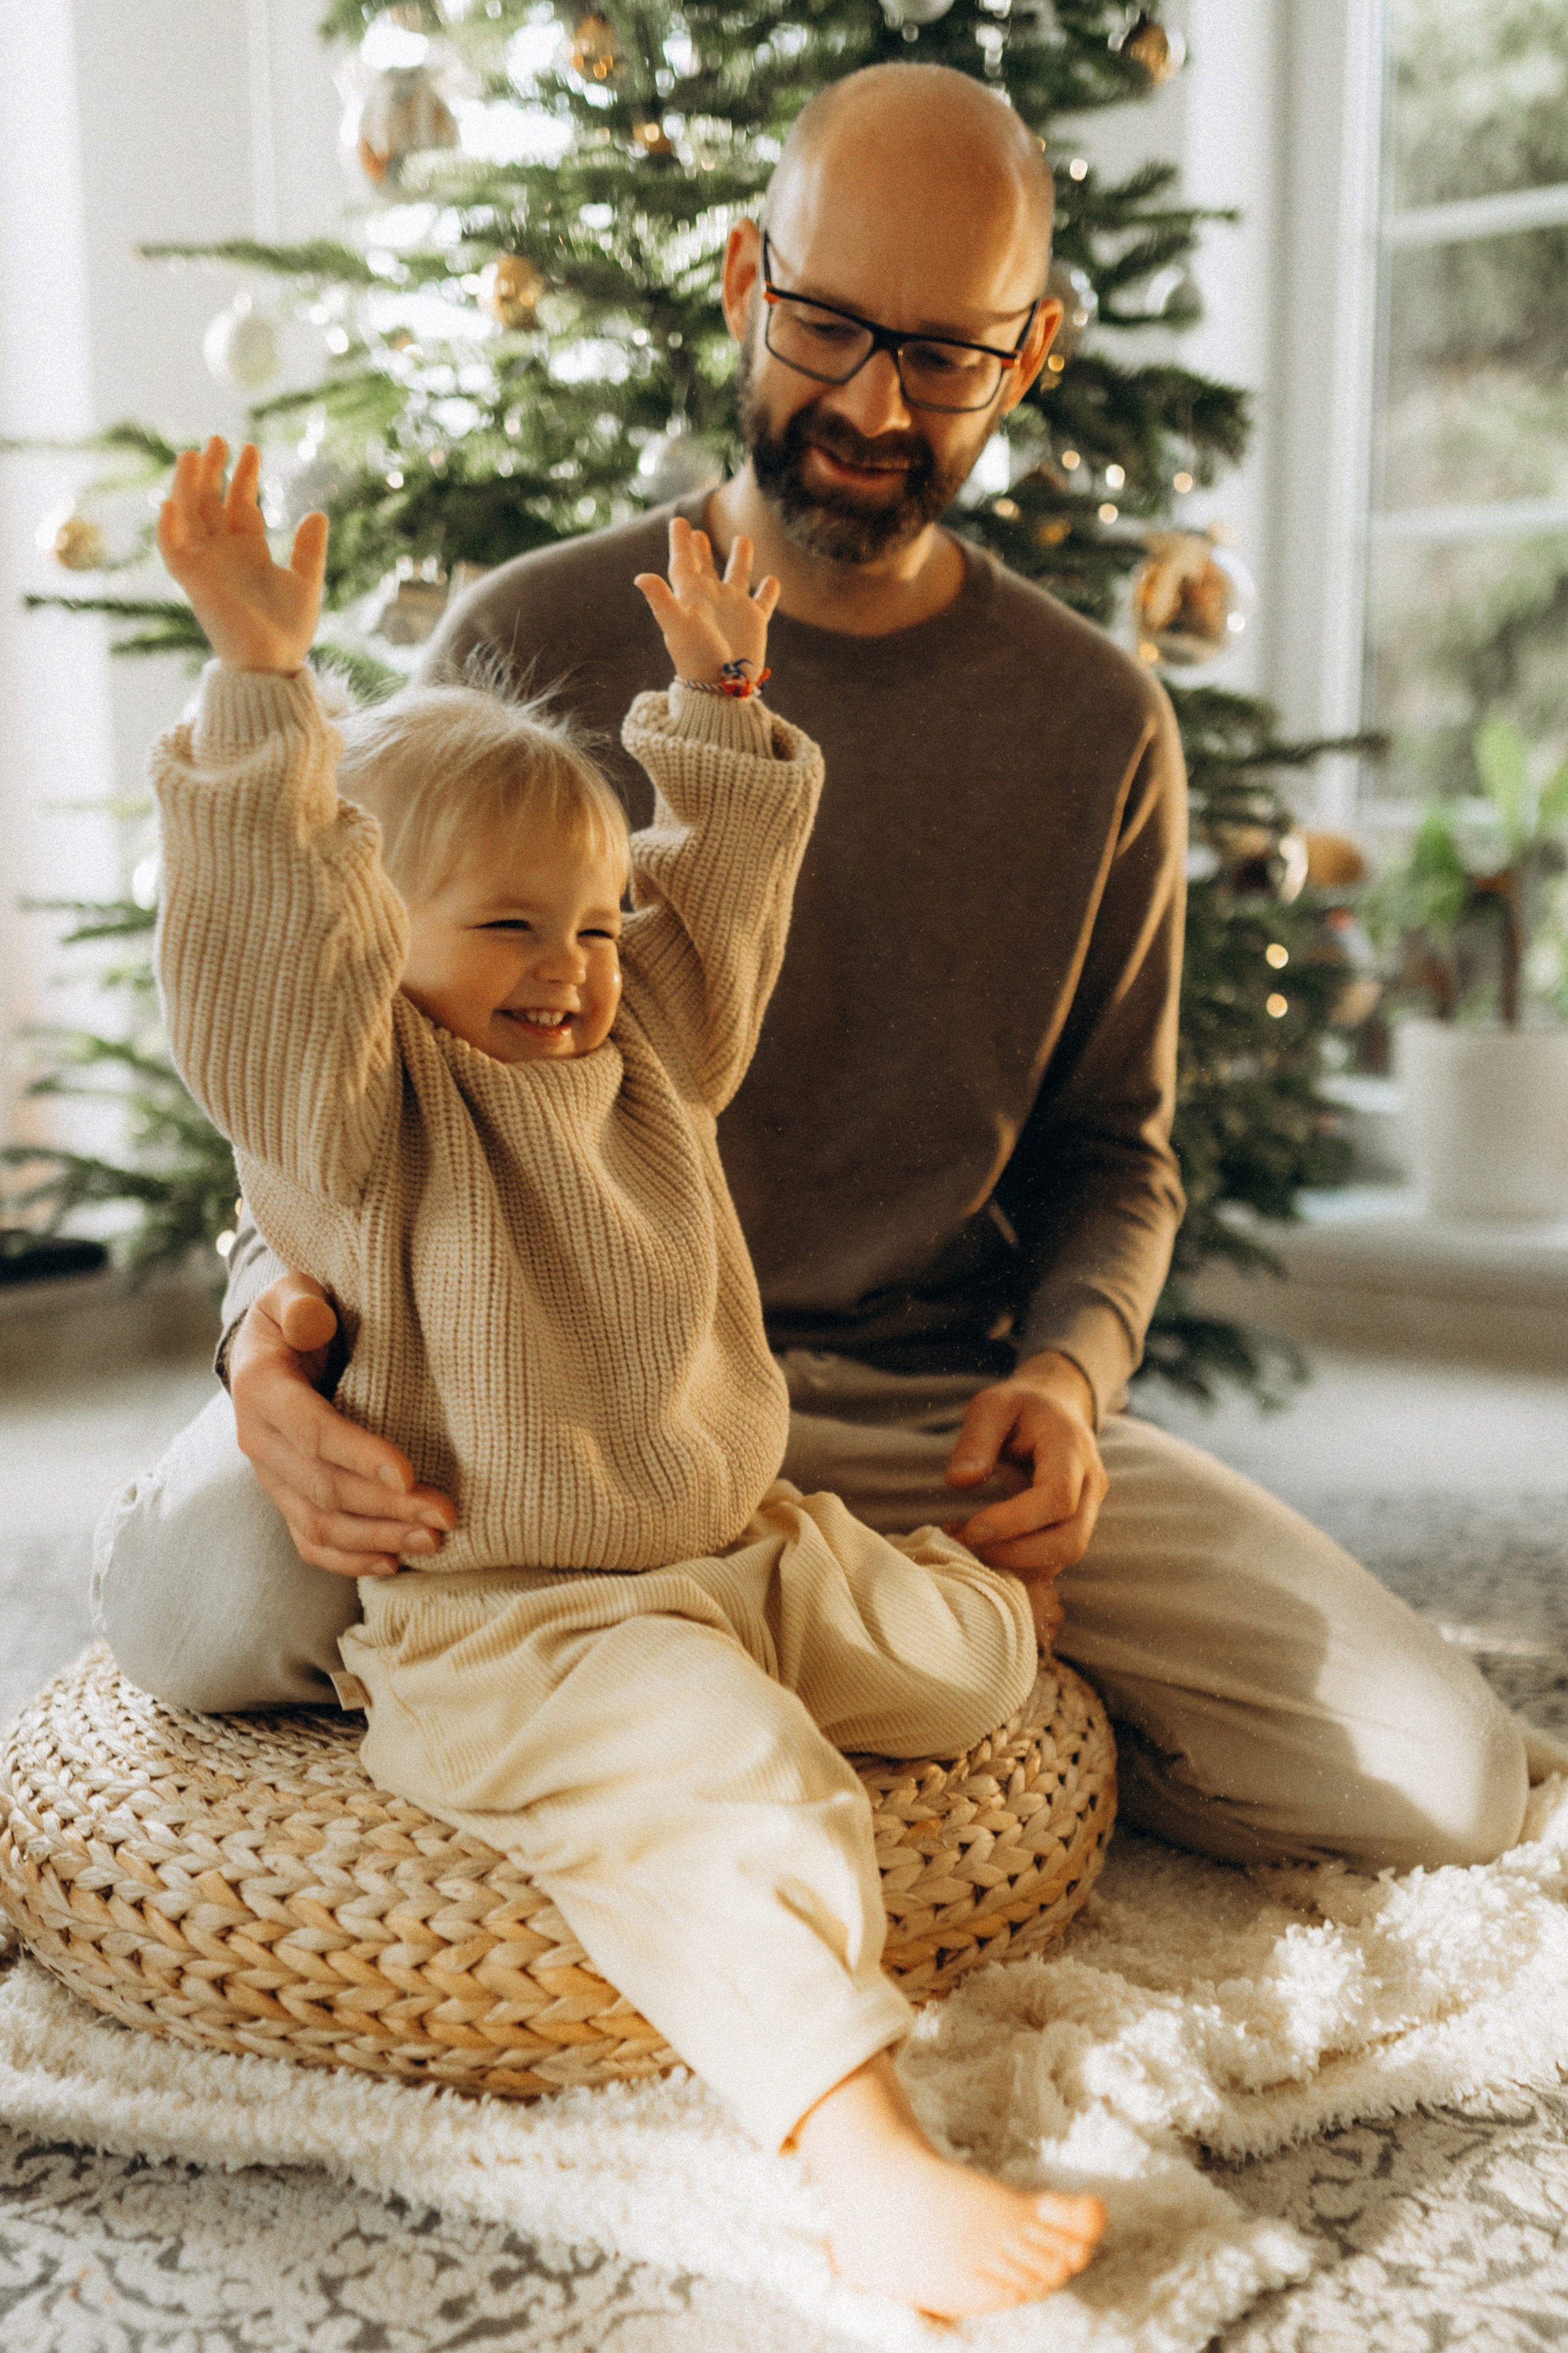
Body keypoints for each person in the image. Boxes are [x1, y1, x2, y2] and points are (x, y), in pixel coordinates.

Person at [98, 66, 1528, 1886]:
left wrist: (1073, 1387)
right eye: (829, 324)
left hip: (912, 1423)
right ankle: (682, 1664)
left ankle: (774, 1653)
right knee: (205, 1594)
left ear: (1032, 356)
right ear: (738, 281)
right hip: (501, 1398)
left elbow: (1119, 1152)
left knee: (1443, 1782)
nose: (869, 403)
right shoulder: (522, 639)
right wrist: (264, 1352)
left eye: (943, 354)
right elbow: (316, 1074)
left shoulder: (1099, 722)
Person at [145, 434, 1105, 2316]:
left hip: (728, 1540)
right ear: (377, 952)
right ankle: (868, 2153)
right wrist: (265, 685)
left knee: (959, 1653)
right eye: (507, 925)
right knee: (741, 1785)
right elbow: (266, 963)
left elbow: (707, 910)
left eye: (586, 925)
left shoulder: (636, 1043)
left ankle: (999, 1616)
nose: (571, 970)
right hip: (525, 1627)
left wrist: (726, 708)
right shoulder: (364, 1107)